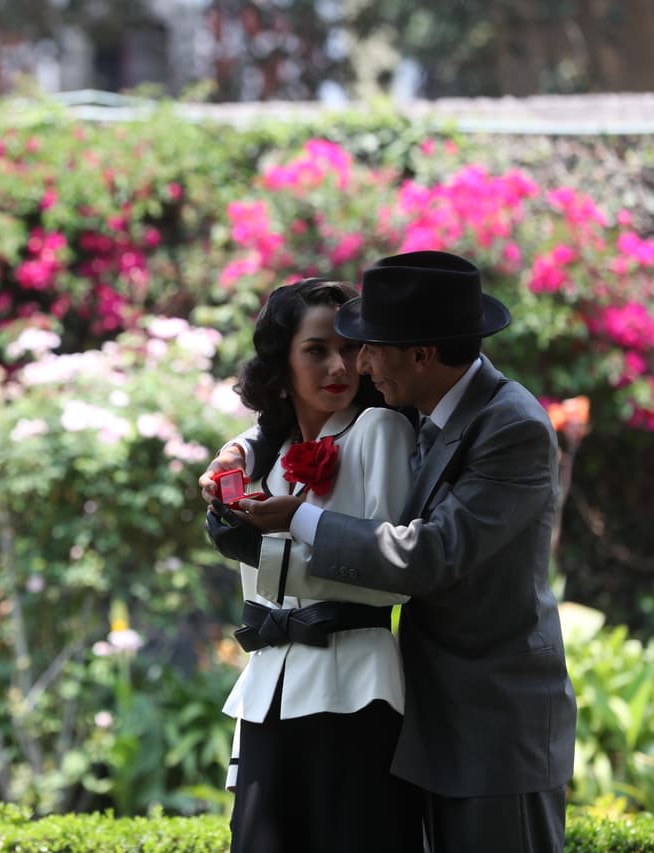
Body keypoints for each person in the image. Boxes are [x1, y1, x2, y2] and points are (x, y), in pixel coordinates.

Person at [207, 250, 577, 853]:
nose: (360, 365)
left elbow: (430, 555)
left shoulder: (512, 425)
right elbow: (294, 410)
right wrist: (240, 451)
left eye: (368, 348)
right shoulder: (427, 398)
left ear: (421, 354)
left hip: (491, 719)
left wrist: (298, 517)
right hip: (420, 715)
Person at [202, 277, 422, 853]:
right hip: (268, 692)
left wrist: (262, 551)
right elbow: (262, 432)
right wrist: (237, 467)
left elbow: (392, 579)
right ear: (281, 365)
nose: (339, 366)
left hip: (356, 688)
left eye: (349, 348)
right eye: (316, 350)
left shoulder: (381, 431)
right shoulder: (271, 456)